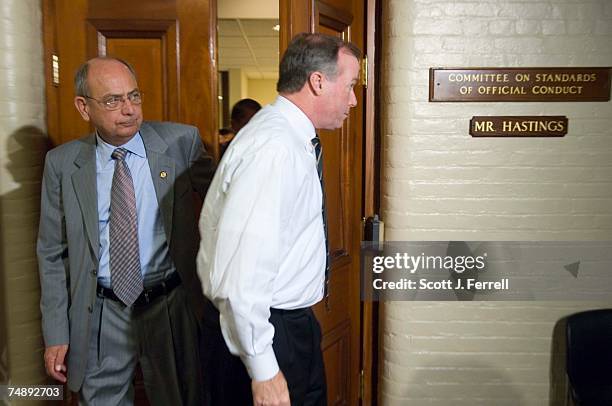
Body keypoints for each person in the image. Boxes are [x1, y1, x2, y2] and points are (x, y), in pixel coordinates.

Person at [37, 57, 215, 405]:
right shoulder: (62, 164)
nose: (129, 109)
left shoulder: (181, 142)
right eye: (113, 100)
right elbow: (52, 253)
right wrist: (56, 332)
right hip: (102, 313)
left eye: (134, 96)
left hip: (170, 305)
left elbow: (228, 206)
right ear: (83, 107)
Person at [197, 33, 361, 406]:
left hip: (283, 326)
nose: (353, 99)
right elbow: (242, 272)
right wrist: (264, 368)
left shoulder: (287, 138)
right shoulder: (274, 148)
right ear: (318, 81)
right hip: (266, 332)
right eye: (350, 86)